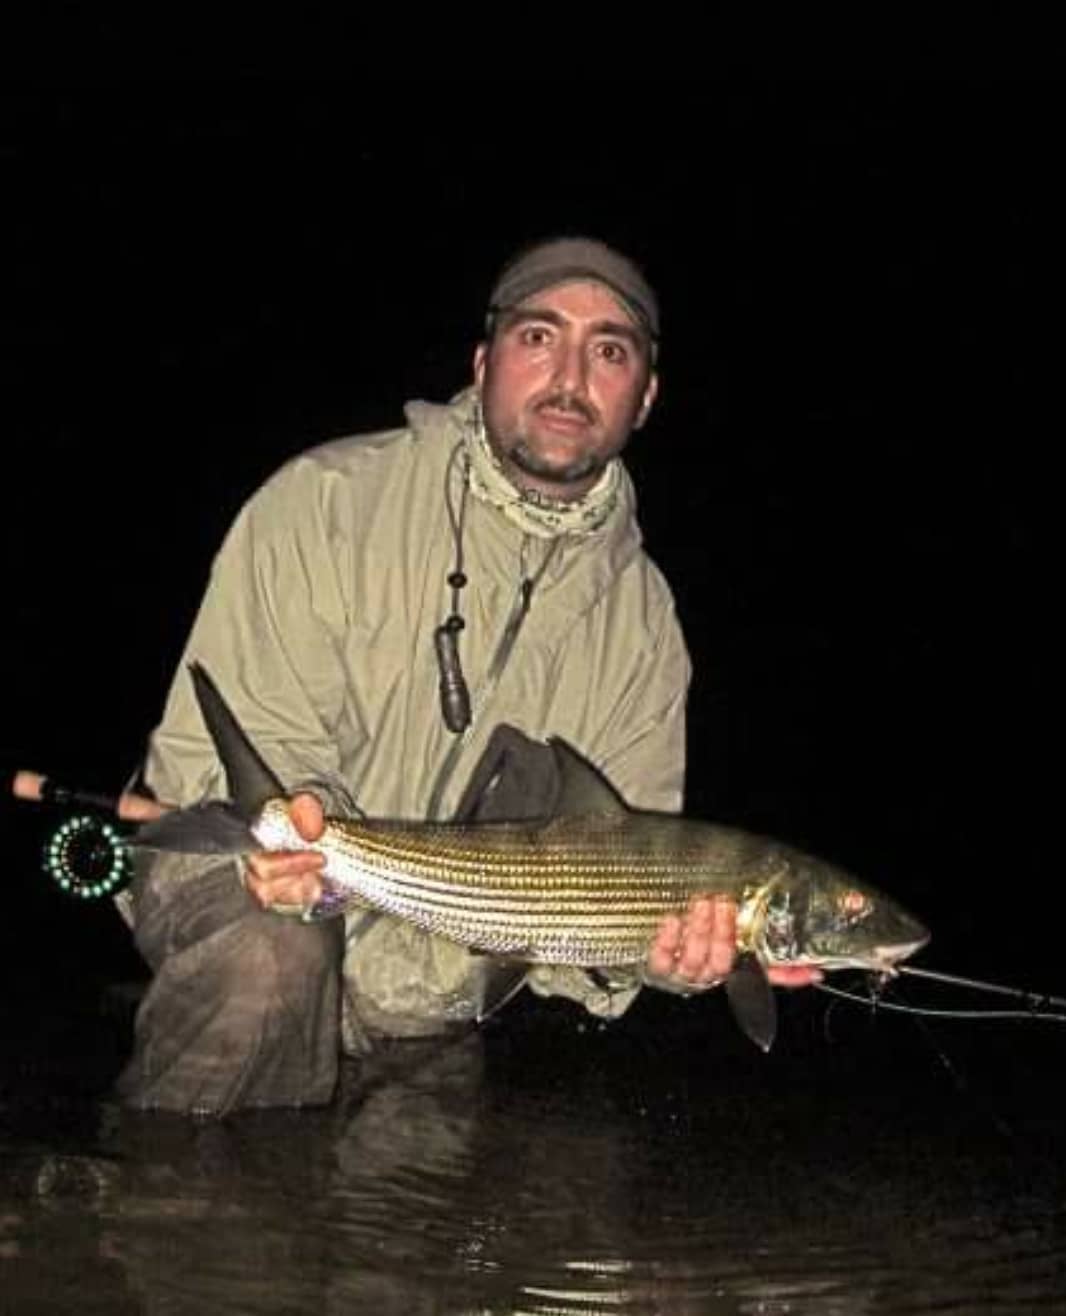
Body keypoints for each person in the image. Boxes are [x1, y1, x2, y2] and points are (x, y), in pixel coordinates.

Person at [118, 236, 816, 1116]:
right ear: (483, 363)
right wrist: (304, 837)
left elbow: (616, 882)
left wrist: (651, 960)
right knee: (272, 959)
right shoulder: (326, 501)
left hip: (437, 966)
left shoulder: (645, 631)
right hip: (243, 869)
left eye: (609, 352)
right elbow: (259, 738)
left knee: (416, 1211)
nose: (570, 377)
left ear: (646, 396)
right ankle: (136, 1230)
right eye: (538, 338)